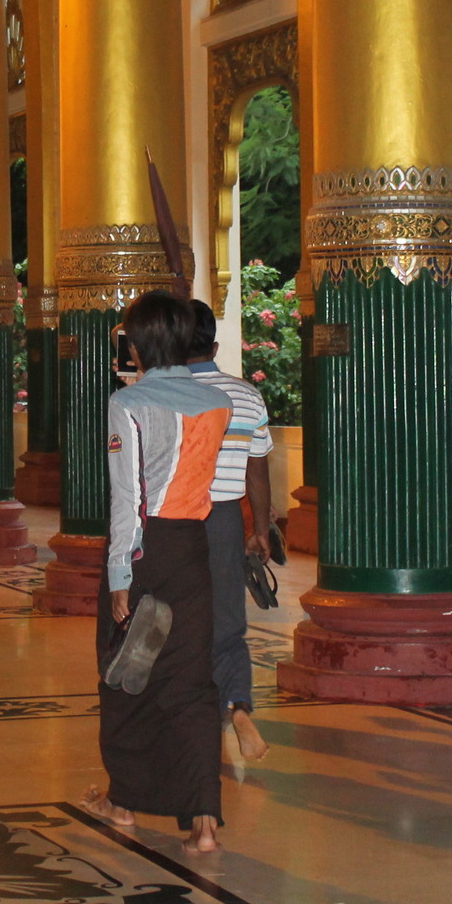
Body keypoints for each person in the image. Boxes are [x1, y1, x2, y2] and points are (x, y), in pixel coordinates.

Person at [81, 289, 230, 855]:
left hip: (146, 551)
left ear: (140, 342)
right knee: (191, 682)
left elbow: (129, 499)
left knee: (125, 672)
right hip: (192, 549)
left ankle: (123, 802)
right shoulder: (217, 403)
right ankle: (204, 822)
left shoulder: (130, 403)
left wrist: (120, 575)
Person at [185, 299, 275, 762]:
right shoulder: (245, 395)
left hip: (176, 519)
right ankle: (238, 707)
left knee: (175, 618)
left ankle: (189, 717)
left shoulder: (165, 395)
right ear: (216, 346)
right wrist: (260, 529)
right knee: (228, 624)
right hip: (223, 519)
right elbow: (256, 475)